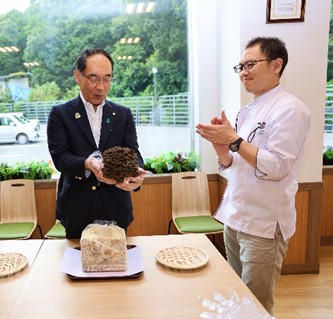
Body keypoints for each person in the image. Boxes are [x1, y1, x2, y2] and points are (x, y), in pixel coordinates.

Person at [196, 37, 311, 315]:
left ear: (276, 65)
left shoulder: (291, 109)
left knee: (256, 304)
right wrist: (223, 150)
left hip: (264, 223)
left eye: (250, 64)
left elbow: (278, 166)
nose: (244, 72)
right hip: (235, 218)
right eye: (241, 66)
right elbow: (238, 164)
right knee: (237, 295)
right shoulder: (246, 111)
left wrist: (234, 141)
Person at [47, 48, 146, 239]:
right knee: (78, 264)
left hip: (116, 204)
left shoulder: (123, 114)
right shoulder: (61, 114)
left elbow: (133, 152)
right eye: (93, 78)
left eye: (107, 78)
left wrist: (137, 174)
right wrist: (88, 164)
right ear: (78, 76)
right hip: (77, 207)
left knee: (116, 262)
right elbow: (60, 158)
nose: (101, 86)